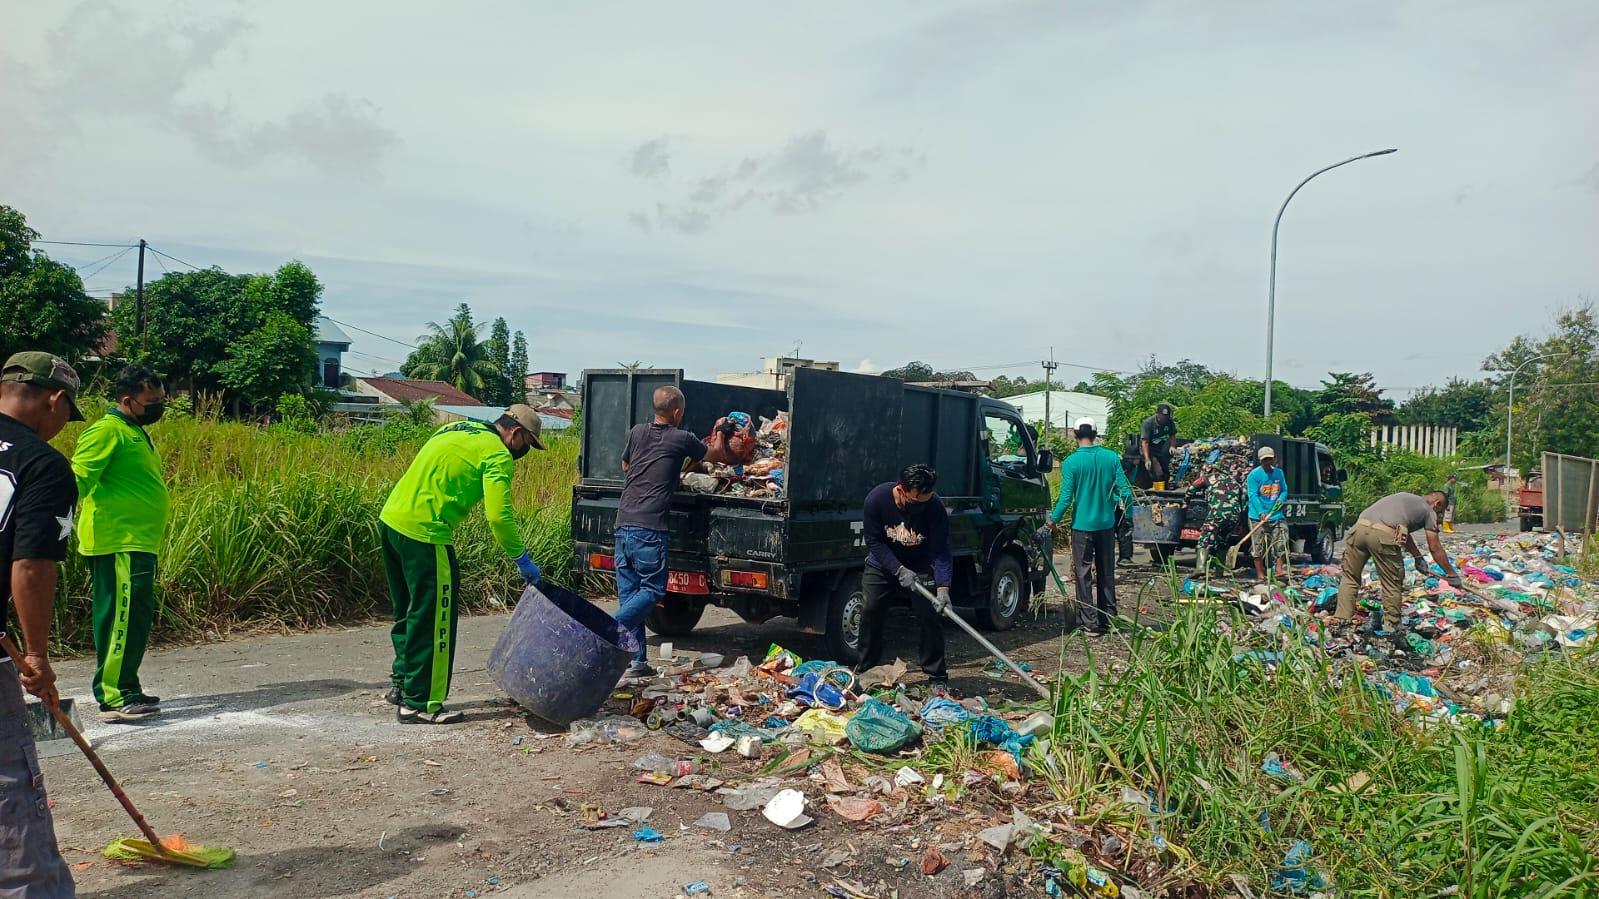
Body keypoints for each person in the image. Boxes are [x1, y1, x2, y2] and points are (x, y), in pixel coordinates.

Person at [378, 404, 545, 724]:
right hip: (426, 534)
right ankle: (421, 703)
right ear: (515, 433)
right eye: (527, 444)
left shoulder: (454, 429)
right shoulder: (497, 454)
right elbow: (498, 516)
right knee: (434, 619)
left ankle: (401, 686)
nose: (525, 452)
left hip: (391, 522)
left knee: (408, 613)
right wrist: (521, 558)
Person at [0, 351, 85, 897]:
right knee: (9, 781)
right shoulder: (41, 464)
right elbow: (30, 566)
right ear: (54, 401)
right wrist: (36, 657)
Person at [71, 364, 169, 723]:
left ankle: (127, 684)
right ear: (128, 401)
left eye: (161, 400)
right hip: (118, 542)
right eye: (151, 401)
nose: (158, 407)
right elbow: (78, 478)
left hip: (139, 542)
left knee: (135, 618)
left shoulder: (134, 430)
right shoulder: (106, 431)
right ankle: (113, 695)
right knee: (120, 619)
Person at [613, 386, 712, 679]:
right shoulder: (682, 438)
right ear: (677, 411)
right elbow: (711, 457)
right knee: (653, 590)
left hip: (623, 524)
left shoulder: (636, 432)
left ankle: (638, 662)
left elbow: (625, 465)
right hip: (650, 528)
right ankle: (608, 625)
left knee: (631, 595)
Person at [855, 464, 953, 693]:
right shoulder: (876, 500)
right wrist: (898, 569)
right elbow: (874, 542)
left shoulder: (935, 508)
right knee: (870, 610)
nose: (920, 508)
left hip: (920, 566)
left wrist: (943, 587)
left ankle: (937, 676)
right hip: (883, 565)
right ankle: (866, 670)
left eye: (925, 502)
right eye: (915, 502)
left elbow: (941, 550)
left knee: (930, 616)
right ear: (901, 490)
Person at [1038, 419, 1133, 634]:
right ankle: (1107, 619)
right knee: (1106, 572)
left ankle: (1089, 623)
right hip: (1107, 526)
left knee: (1083, 574)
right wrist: (1125, 517)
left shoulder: (1072, 462)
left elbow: (1065, 499)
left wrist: (1050, 522)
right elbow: (1126, 492)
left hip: (1082, 527)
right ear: (1096, 433)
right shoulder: (1111, 458)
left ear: (1074, 435)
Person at [1332, 491, 1463, 643]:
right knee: (1392, 583)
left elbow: (1403, 532)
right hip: (1383, 535)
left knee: (1349, 577)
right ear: (1437, 503)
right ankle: (1391, 628)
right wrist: (1451, 574)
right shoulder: (1429, 511)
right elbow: (1435, 547)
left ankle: (1341, 620)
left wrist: (1418, 558)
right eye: (1439, 511)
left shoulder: (1405, 498)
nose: (1438, 514)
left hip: (1359, 528)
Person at [1246, 446, 1290, 582]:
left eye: (1270, 459)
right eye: (1265, 460)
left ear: (1274, 459)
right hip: (1257, 515)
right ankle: (1260, 574)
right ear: (1261, 461)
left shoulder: (1279, 473)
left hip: (1276, 514)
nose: (1268, 462)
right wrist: (1261, 512)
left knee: (1282, 540)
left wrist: (1281, 500)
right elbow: (1252, 495)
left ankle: (1279, 569)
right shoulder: (1254, 475)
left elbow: (1284, 490)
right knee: (1257, 546)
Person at [1140, 404, 1177, 488]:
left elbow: (1172, 435)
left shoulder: (1169, 422)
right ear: (1157, 414)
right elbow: (1145, 442)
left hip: (1160, 447)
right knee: (1158, 471)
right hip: (1149, 448)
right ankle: (1159, 490)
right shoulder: (1148, 423)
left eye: (1166, 417)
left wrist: (1172, 446)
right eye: (1162, 416)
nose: (1164, 419)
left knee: (1167, 469)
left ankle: (1168, 486)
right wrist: (1147, 459)